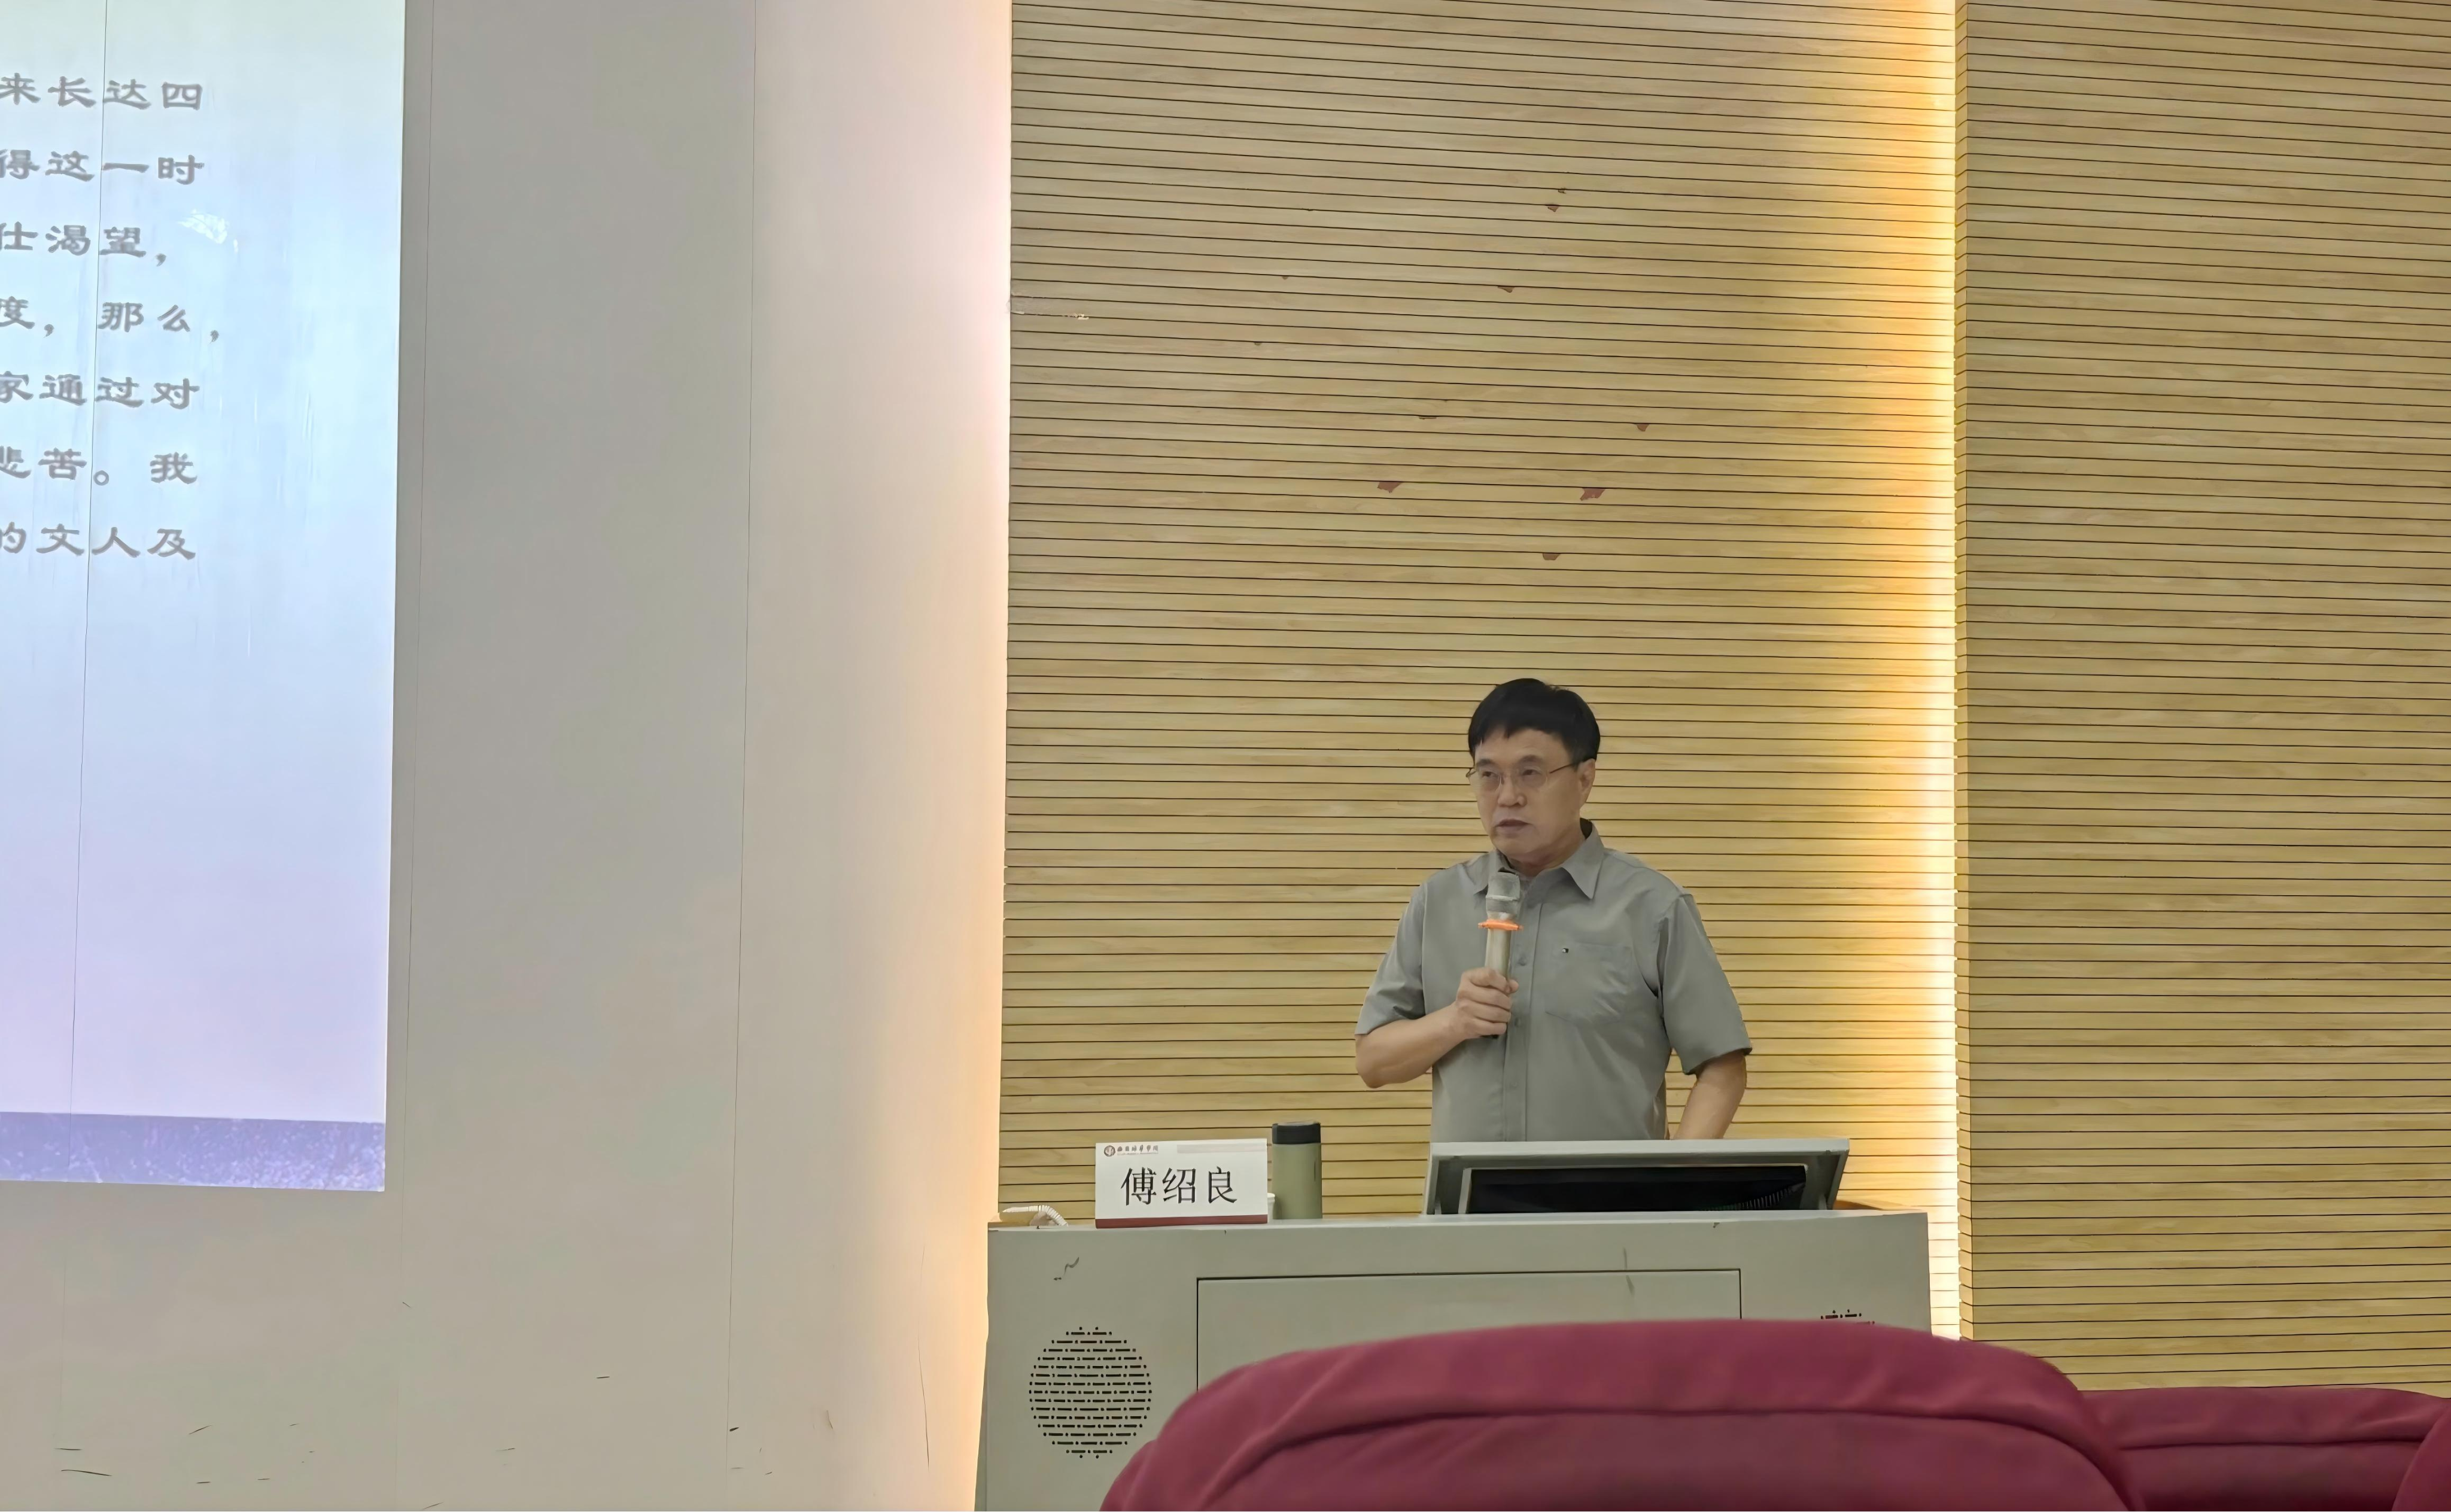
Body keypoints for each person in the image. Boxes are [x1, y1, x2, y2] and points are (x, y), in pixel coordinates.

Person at [1354, 679, 1751, 1140]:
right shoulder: (1438, 901)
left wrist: (1674, 1176)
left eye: (1531, 773)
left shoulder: (1652, 906)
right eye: (1489, 775)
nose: (1507, 797)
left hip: (1610, 1190)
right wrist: (1453, 1021)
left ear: (1585, 779)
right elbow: (1373, 1060)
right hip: (1470, 1190)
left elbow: (1722, 1065)